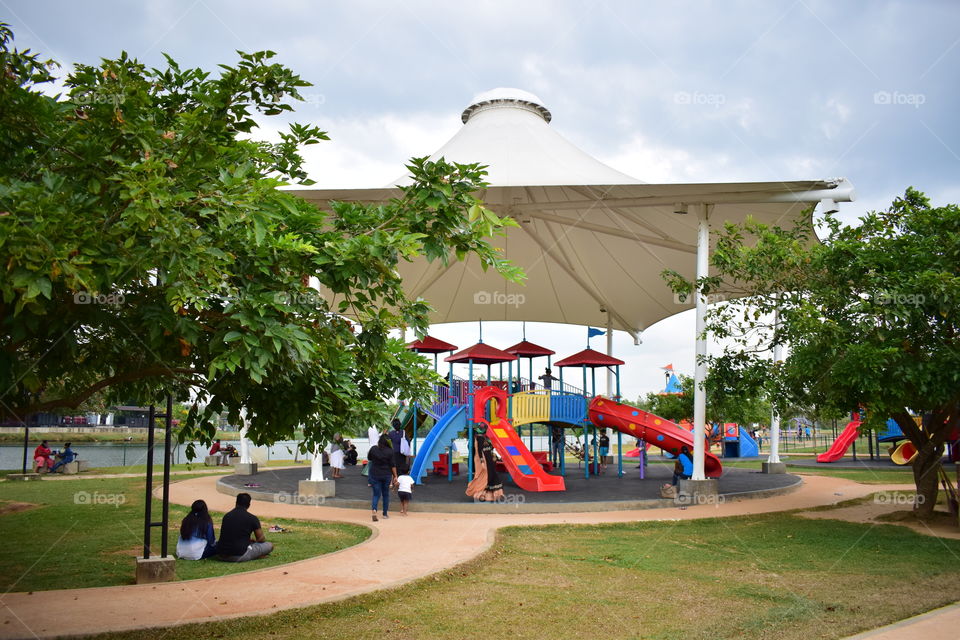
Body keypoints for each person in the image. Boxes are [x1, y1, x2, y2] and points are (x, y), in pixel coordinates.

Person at [216, 493, 273, 562]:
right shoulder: (252, 518)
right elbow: (261, 539)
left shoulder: (227, 516)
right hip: (239, 555)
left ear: (236, 503)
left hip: (221, 554)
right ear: (249, 505)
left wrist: (246, 540)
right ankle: (256, 555)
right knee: (269, 545)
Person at [465, 426, 504, 502]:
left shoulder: (484, 438)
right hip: (485, 461)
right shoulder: (479, 438)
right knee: (486, 477)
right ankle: (482, 495)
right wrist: (482, 462)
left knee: (491, 476)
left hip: (488, 460)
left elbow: (489, 448)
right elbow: (479, 451)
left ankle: (490, 495)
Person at [367, 434, 397, 521]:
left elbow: (369, 458)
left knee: (376, 494)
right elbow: (393, 465)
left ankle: (374, 510)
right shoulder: (390, 451)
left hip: (375, 474)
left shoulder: (373, 449)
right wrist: (395, 476)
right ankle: (385, 514)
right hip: (386, 474)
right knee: (385, 494)